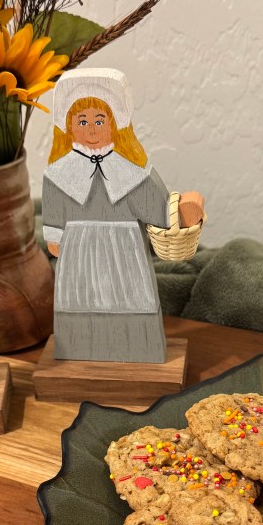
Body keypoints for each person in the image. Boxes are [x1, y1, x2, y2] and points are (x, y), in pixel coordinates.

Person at [42, 68, 204, 363]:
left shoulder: (131, 172)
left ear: (115, 123)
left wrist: (180, 214)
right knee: (82, 298)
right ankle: (80, 350)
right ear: (69, 126)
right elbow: (53, 209)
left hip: (124, 251)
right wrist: (54, 233)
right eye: (82, 121)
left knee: (129, 297)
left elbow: (158, 210)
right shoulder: (58, 173)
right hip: (78, 251)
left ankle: (137, 348)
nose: (92, 130)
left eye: (99, 120)